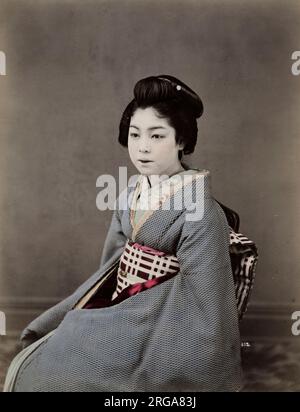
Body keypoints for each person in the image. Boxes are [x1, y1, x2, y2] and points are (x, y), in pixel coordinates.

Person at [4, 75, 243, 392]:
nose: (142, 147)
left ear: (182, 140)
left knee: (70, 355)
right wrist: (104, 308)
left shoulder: (202, 211)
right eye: (134, 134)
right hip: (122, 299)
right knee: (61, 335)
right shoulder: (131, 189)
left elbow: (206, 300)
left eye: (157, 136)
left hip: (165, 316)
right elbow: (112, 261)